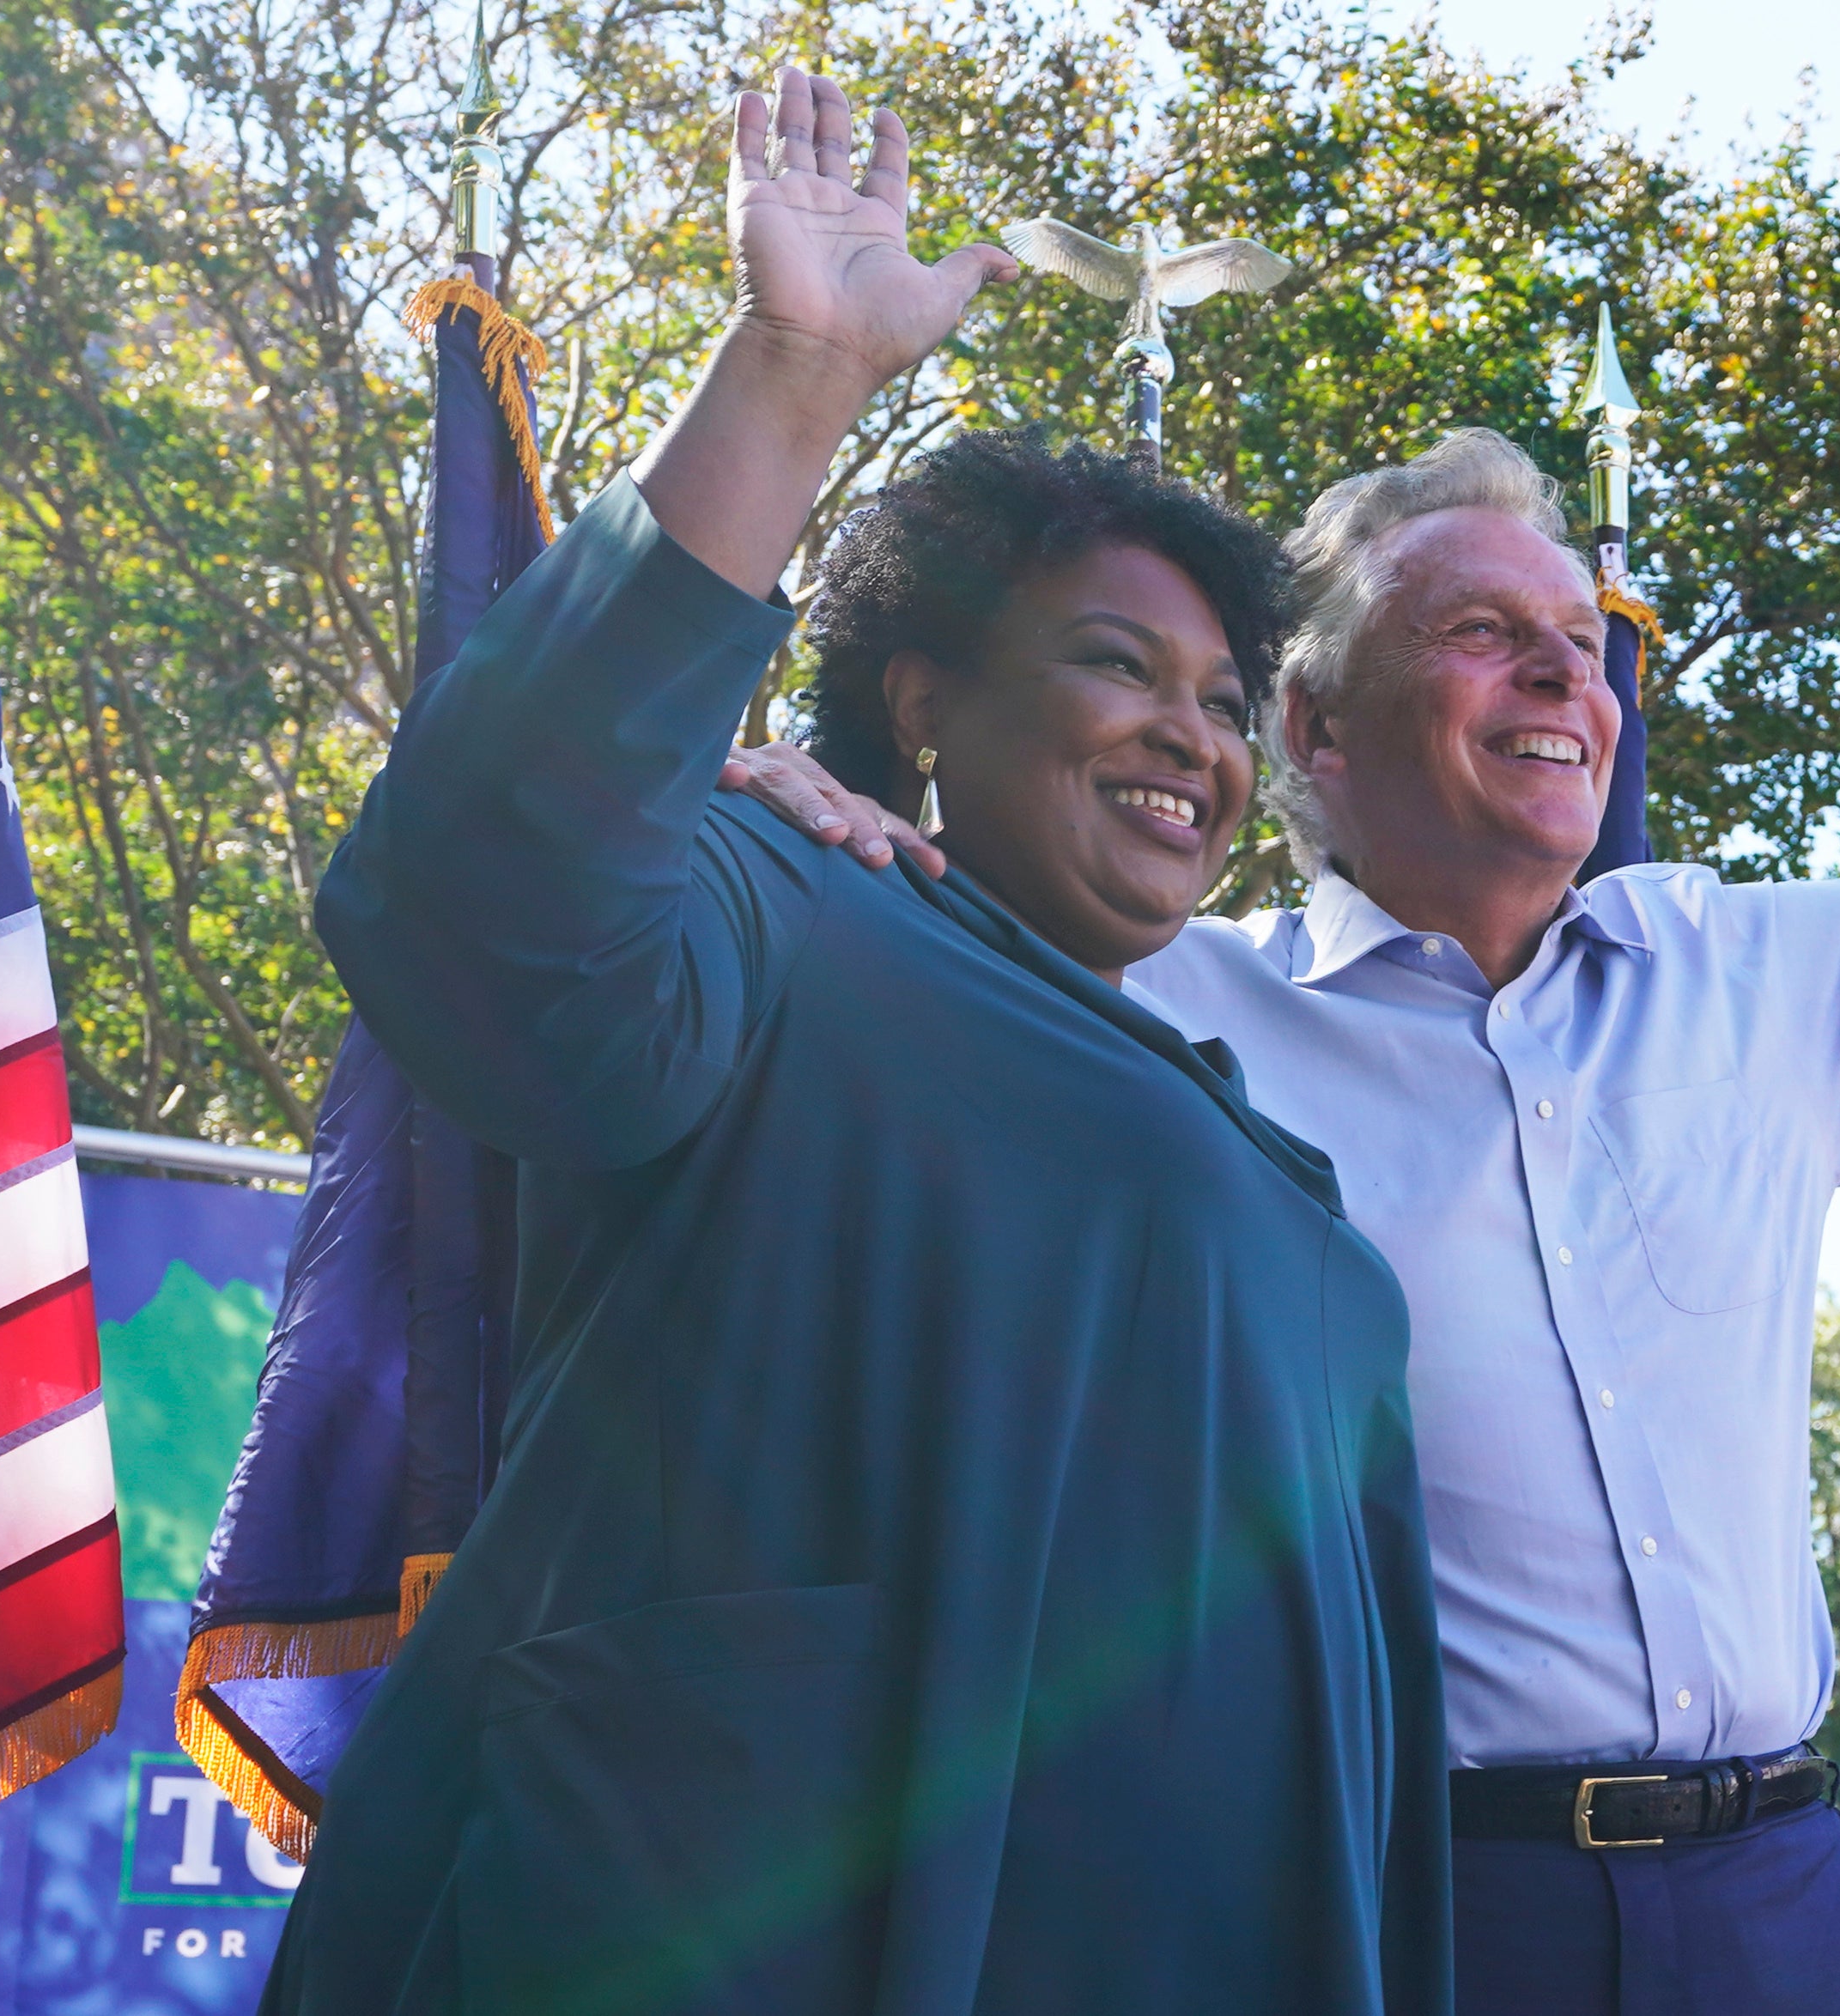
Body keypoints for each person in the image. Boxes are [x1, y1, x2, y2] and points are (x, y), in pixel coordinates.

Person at [732, 181, 1840, 2011]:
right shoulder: (1144, 1002)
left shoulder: (1757, 986)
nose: (1572, 671)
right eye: (1485, 633)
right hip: (1419, 1908)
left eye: (1580, 637)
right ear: (1314, 734)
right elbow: (878, 950)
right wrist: (818, 813)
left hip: (1792, 1906)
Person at [264, 71, 1448, 2016]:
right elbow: (482, 899)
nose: (1196, 738)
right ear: (918, 706)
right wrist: (793, 374)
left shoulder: (1277, 1179)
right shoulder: (787, 891)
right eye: (1114, 665)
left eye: (1230, 701)